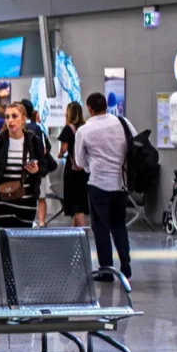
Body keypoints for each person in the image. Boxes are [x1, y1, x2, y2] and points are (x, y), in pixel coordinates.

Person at [75, 92, 136, 279]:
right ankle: (125, 264)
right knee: (119, 225)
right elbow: (135, 142)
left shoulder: (84, 131)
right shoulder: (123, 122)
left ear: (89, 109)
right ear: (106, 106)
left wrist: (91, 166)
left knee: (101, 228)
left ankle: (106, 271)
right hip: (121, 184)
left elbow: (79, 162)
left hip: (98, 184)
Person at [0, 102, 49, 228]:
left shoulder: (34, 141)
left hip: (26, 199)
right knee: (4, 239)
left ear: (23, 119)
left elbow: (44, 167)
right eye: (7, 117)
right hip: (2, 200)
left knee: (22, 241)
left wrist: (36, 170)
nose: (10, 120)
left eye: (14, 116)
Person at [57, 101, 89, 228]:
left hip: (72, 169)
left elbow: (64, 148)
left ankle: (82, 234)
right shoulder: (86, 127)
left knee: (76, 206)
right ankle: (76, 233)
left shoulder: (69, 128)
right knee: (80, 203)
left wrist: (60, 154)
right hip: (85, 170)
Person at [21, 99, 53, 226]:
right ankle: (41, 223)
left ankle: (26, 222)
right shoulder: (38, 128)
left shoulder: (19, 129)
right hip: (38, 167)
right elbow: (46, 148)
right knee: (41, 197)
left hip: (23, 168)